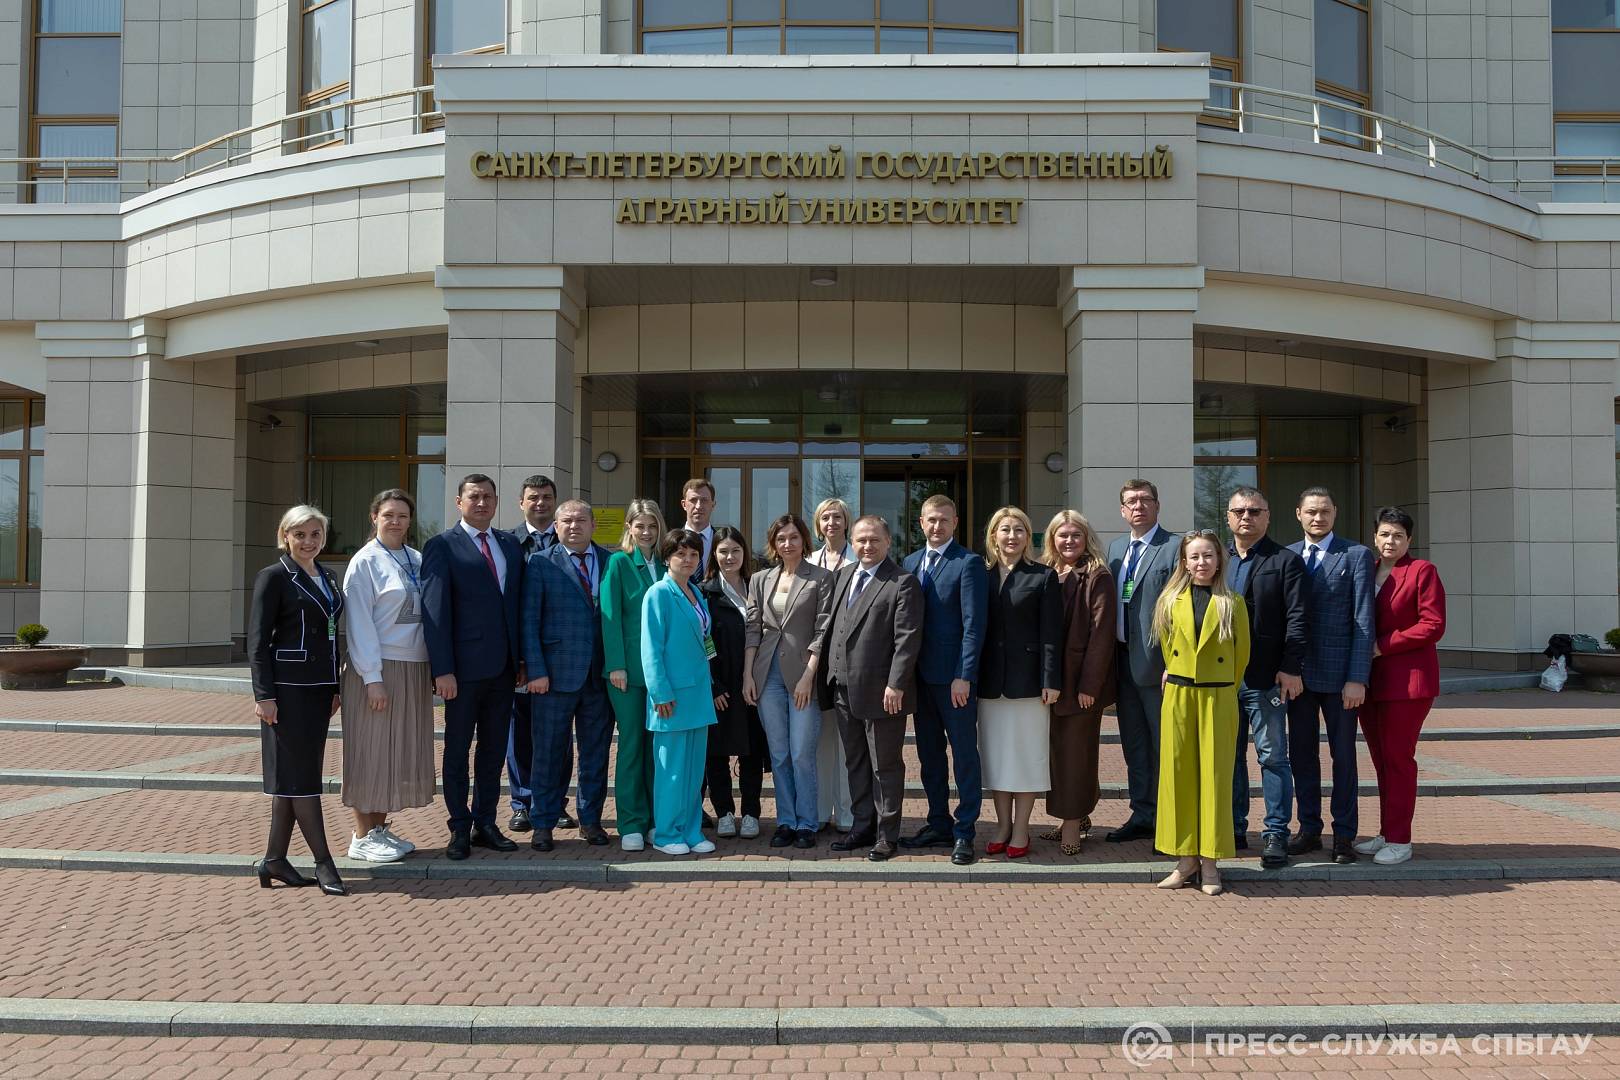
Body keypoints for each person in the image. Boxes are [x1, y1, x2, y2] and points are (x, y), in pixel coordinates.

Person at [422, 475, 525, 861]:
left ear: (497, 501)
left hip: (503, 670)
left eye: (488, 497)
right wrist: (442, 670)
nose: (482, 503)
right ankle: (459, 827)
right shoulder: (442, 545)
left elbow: (516, 606)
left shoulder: (509, 545)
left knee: (494, 751)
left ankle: (486, 822)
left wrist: (521, 660)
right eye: (474, 497)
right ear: (459, 502)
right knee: (457, 750)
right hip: (461, 673)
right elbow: (435, 612)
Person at [249, 505, 347, 895]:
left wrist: (335, 686)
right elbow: (258, 643)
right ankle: (324, 863)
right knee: (303, 780)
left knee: (293, 780)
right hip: (286, 691)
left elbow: (332, 633)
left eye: (315, 534)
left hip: (319, 690)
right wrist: (264, 695)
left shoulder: (328, 576)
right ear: (285, 536)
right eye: (300, 534)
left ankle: (274, 859)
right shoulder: (273, 577)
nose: (309, 542)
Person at [339, 489, 435, 864]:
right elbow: (359, 623)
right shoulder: (365, 562)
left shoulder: (415, 558)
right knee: (372, 751)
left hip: (413, 666)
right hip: (379, 667)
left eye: (402, 515)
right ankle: (361, 836)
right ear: (374, 517)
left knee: (394, 754)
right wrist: (372, 677)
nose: (395, 521)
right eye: (388, 515)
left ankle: (378, 830)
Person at [819, 515, 923, 861]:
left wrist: (897, 683)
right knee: (856, 763)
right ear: (852, 542)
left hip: (883, 693)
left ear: (888, 542)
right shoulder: (844, 575)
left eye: (874, 540)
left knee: (885, 767)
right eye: (861, 540)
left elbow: (907, 639)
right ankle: (862, 826)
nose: (867, 546)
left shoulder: (902, 582)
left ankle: (886, 835)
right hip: (843, 688)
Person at [1152, 530, 1250, 896]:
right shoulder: (1169, 600)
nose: (1201, 562)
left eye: (1208, 555)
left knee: (1214, 778)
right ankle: (1185, 859)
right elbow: (1168, 648)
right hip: (1179, 693)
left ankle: (1210, 862)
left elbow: (1241, 656)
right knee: (1178, 776)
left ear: (1219, 560)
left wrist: (1222, 687)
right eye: (1194, 556)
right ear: (1184, 561)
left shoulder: (1232, 602)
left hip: (1217, 695)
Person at [1286, 486, 1375, 864]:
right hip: (1298, 678)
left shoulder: (1356, 555)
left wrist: (1358, 677)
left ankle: (1344, 835)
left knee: (1344, 758)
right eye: (1311, 512)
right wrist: (1286, 669)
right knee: (1301, 755)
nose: (1318, 518)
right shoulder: (1288, 555)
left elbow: (1363, 620)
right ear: (1299, 514)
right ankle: (1309, 829)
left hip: (1341, 679)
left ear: (1335, 512)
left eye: (1324, 511)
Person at [521, 499, 616, 852]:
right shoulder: (541, 563)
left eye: (580, 520)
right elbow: (529, 620)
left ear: (593, 525)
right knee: (548, 753)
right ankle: (543, 823)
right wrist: (536, 670)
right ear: (557, 526)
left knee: (596, 754)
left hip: (599, 677)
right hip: (553, 677)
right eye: (567, 521)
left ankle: (590, 821)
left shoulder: (611, 562)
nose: (574, 526)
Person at [1354, 507, 1446, 866]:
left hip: (1408, 683)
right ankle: (1386, 832)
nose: (1390, 541)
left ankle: (1400, 839)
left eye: (1398, 536)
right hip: (1370, 682)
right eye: (1384, 534)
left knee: (1398, 760)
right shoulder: (1368, 569)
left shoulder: (1422, 571)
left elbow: (1432, 625)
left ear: (1409, 540)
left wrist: (1382, 646)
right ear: (1374, 537)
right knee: (1381, 761)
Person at [899, 494, 988, 866]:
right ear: (921, 522)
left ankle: (965, 831)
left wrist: (964, 675)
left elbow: (973, 626)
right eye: (931, 520)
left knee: (964, 755)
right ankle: (938, 822)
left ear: (955, 523)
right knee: (929, 755)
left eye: (944, 520)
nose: (937, 526)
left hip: (954, 682)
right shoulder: (910, 563)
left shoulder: (968, 563)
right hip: (919, 680)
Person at [1225, 486, 1308, 869]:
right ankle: (1233, 828)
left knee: (1272, 756)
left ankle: (1276, 832)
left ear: (1268, 516)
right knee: (1230, 757)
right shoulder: (1219, 560)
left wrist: (1290, 667)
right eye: (1239, 511)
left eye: (1255, 511)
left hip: (1266, 678)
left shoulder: (1285, 561)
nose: (1247, 517)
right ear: (1228, 517)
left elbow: (1298, 617)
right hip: (1222, 679)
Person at [976, 507, 1064, 859]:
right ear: (993, 536)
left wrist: (1051, 679)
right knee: (997, 759)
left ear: (1028, 537)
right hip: (989, 683)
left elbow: (1051, 635)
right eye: (1005, 529)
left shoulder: (1043, 576)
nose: (1011, 536)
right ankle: (1002, 826)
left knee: (1026, 759)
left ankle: (1022, 828)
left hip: (1029, 684)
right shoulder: (979, 575)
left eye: (1019, 530)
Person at [744, 513, 833, 849]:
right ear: (773, 543)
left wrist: (809, 676)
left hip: (802, 677)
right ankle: (786, 821)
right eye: (781, 538)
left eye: (793, 537)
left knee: (800, 754)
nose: (787, 543)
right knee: (779, 753)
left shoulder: (820, 578)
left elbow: (822, 630)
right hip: (767, 675)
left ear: (804, 540)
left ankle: (807, 823)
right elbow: (753, 629)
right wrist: (747, 675)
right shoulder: (760, 579)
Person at [1039, 510, 1117, 855]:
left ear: (1086, 539)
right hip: (1049, 681)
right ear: (1052, 538)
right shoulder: (1045, 571)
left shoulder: (1098, 576)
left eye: (1076, 535)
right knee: (1059, 754)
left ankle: (1072, 823)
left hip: (1080, 684)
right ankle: (1075, 815)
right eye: (1062, 535)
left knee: (1075, 755)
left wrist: (1090, 685)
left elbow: (1102, 635)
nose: (1069, 541)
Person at [1104, 480, 1178, 844]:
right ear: (1122, 510)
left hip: (1158, 666)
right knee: (1134, 745)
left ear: (1157, 505)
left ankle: (1169, 820)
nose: (1138, 506)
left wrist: (1174, 662)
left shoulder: (1175, 547)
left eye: (1145, 500)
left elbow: (1182, 610)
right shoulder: (1117, 550)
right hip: (1122, 664)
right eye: (1131, 501)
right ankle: (1143, 814)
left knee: (1164, 745)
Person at [640, 529, 721, 856]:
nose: (688, 559)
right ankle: (665, 834)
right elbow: (651, 648)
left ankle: (690, 830)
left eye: (693, 554)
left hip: (698, 694)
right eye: (681, 553)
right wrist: (660, 693)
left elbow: (704, 642)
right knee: (671, 771)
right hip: (671, 698)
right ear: (667, 557)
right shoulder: (658, 593)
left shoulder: (695, 592)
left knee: (693, 771)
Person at [503, 474, 573, 835]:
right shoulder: (507, 544)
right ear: (521, 503)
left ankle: (556, 803)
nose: (540, 503)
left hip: (560, 658)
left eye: (547, 497)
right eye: (533, 497)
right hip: (519, 658)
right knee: (520, 733)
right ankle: (523, 802)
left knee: (558, 734)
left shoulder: (570, 541)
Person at [600, 499, 666, 852]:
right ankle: (631, 822)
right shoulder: (619, 563)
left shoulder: (667, 564)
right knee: (631, 746)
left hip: (662, 674)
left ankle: (656, 820)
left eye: (652, 526)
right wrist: (616, 665)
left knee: (657, 747)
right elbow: (609, 616)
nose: (646, 532)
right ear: (629, 528)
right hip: (627, 673)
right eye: (640, 526)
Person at [702, 526, 766, 840]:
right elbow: (702, 643)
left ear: (744, 553)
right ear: (714, 554)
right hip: (721, 688)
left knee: (752, 751)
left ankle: (751, 813)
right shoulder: (705, 593)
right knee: (716, 753)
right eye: (723, 551)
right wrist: (714, 685)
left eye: (736, 551)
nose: (730, 557)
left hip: (753, 685)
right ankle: (724, 812)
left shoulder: (758, 587)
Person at [809, 496, 856, 833]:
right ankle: (821, 810)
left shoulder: (860, 559)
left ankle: (849, 813)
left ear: (846, 522)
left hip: (850, 661)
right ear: (818, 524)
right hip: (816, 662)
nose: (832, 523)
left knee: (848, 742)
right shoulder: (809, 561)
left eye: (837, 517)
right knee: (821, 740)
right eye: (826, 517)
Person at [680, 478, 717, 567]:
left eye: (704, 500)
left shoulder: (722, 542)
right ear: (684, 504)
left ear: (713, 505)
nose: (698, 506)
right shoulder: (672, 542)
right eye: (693, 500)